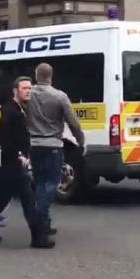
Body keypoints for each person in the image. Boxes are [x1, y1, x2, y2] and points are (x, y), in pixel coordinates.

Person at [0, 77, 54, 248]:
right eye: (24, 88)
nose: (28, 91)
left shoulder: (20, 109)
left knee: (2, 198)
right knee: (28, 200)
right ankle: (38, 237)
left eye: (29, 88)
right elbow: (2, 138)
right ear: (15, 91)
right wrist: (19, 154)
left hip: (12, 164)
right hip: (13, 163)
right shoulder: (11, 110)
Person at [27, 63, 86, 234]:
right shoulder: (60, 96)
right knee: (53, 182)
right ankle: (40, 217)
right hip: (53, 145)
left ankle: (44, 222)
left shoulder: (28, 96)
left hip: (34, 145)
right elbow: (73, 122)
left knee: (39, 182)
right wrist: (81, 141)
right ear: (51, 76)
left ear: (36, 75)